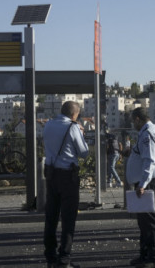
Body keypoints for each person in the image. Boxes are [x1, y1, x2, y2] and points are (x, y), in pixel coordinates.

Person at [42, 101, 89, 268]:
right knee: (68, 218)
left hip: (51, 174)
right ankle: (64, 259)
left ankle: (50, 257)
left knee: (51, 216)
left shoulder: (48, 125)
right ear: (74, 114)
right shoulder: (72, 127)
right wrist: (81, 134)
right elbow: (84, 153)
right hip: (68, 176)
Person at [126, 107, 155, 268]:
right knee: (144, 222)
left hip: (150, 182)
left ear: (137, 119)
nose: (132, 123)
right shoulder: (150, 131)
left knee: (150, 222)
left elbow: (149, 160)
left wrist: (142, 183)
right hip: (150, 181)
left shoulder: (148, 133)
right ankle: (145, 255)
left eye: (132, 120)